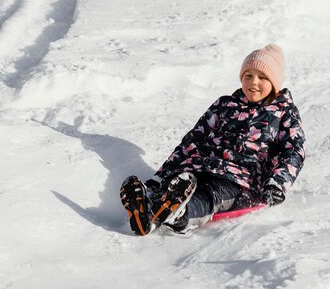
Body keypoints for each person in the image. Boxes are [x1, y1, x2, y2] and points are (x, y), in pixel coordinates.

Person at [120, 44, 306, 235]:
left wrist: (277, 184)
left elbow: (293, 150)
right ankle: (149, 211)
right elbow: (193, 139)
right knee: (178, 184)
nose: (253, 82)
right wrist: (161, 176)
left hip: (241, 179)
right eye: (248, 75)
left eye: (262, 77)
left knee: (211, 195)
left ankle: (182, 214)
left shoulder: (284, 112)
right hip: (201, 165)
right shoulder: (224, 104)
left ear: (275, 83)